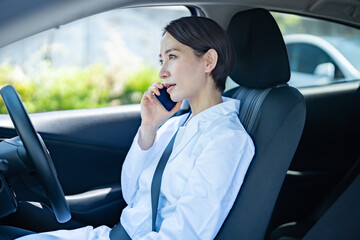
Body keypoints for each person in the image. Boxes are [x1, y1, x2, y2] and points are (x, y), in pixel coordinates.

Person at [15, 16, 254, 240]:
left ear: (209, 61)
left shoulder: (226, 140)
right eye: (161, 60)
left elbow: (184, 235)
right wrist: (149, 127)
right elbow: (132, 194)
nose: (162, 72)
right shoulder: (176, 124)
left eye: (172, 57)